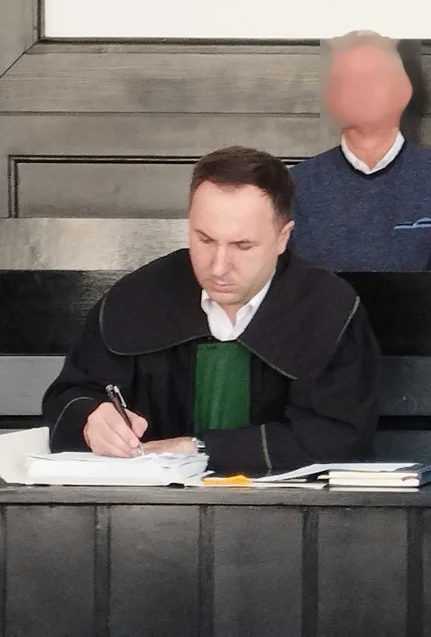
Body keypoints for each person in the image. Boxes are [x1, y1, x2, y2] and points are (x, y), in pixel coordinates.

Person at [42, 146, 381, 472]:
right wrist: (91, 421)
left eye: (242, 245)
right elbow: (71, 394)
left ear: (283, 238)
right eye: (205, 240)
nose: (218, 267)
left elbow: (337, 436)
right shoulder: (137, 298)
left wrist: (200, 449)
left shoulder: (328, 310)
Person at [290, 30, 431, 272]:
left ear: (402, 91)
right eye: (347, 80)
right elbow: (291, 283)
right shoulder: (297, 184)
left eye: (373, 79)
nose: (360, 91)